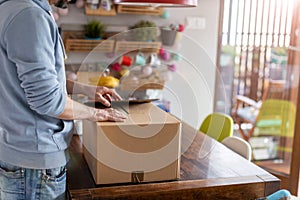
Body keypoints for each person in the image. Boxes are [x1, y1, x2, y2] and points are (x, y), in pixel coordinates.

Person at [0, 0, 127, 199]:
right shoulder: (29, 16)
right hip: (35, 162)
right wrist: (96, 113)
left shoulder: (11, 8)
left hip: (22, 156)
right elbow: (47, 100)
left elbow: (32, 78)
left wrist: (84, 89)